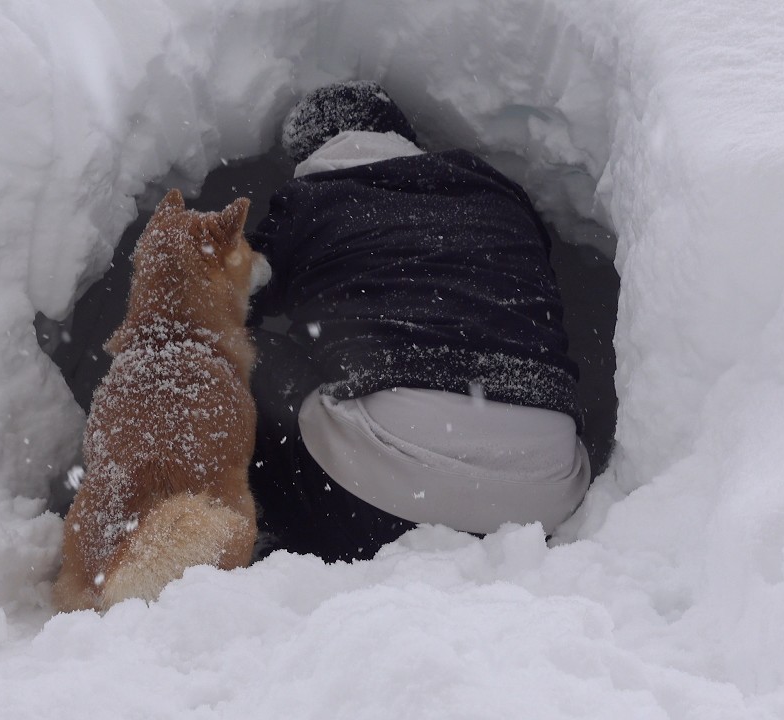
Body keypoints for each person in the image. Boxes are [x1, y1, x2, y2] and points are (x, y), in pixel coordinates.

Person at [247, 81, 590, 562]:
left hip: (373, 504)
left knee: (236, 353)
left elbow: (227, 305)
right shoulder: (498, 195)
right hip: (546, 495)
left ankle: (258, 528)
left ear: (308, 155)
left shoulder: (308, 200)